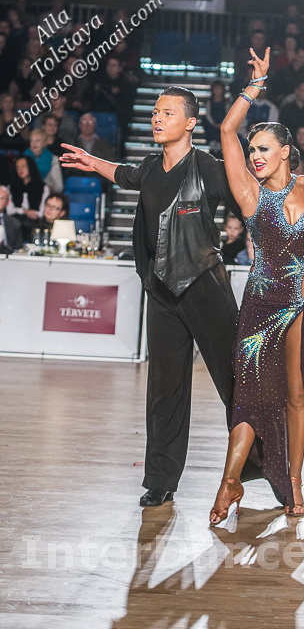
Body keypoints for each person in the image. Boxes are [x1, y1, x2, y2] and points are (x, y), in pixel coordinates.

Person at [60, 86, 245, 508]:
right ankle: (161, 480)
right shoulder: (148, 167)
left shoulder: (209, 167)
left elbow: (249, 205)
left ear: (191, 122)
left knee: (236, 384)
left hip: (205, 287)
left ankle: (269, 467)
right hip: (162, 291)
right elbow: (124, 174)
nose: (157, 118)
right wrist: (93, 162)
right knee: (165, 390)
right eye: (155, 112)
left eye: (168, 113)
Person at [209, 47, 304, 525]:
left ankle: (294, 483)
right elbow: (226, 130)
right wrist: (255, 86)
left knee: (296, 396)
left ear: (285, 152)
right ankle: (230, 481)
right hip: (261, 305)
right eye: (252, 151)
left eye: (263, 149)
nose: (255, 156)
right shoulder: (249, 192)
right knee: (250, 396)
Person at [8, 155, 49, 241]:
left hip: (35, 221)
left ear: (30, 167)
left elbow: (42, 212)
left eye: (23, 166)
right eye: (17, 167)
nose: (20, 170)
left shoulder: (43, 187)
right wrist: (25, 211)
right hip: (15, 221)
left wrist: (32, 213)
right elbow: (9, 210)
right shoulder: (11, 187)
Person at [201, 80, 230, 154]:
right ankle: (212, 146)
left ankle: (220, 147)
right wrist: (213, 123)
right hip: (211, 123)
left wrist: (222, 122)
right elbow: (208, 113)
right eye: (215, 89)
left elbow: (228, 113)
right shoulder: (209, 101)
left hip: (222, 121)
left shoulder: (226, 101)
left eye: (219, 89)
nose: (217, 91)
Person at [0, 185, 23, 253]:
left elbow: (18, 248)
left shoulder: (14, 223)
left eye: (1, 198)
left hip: (9, 257)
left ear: (7, 202)